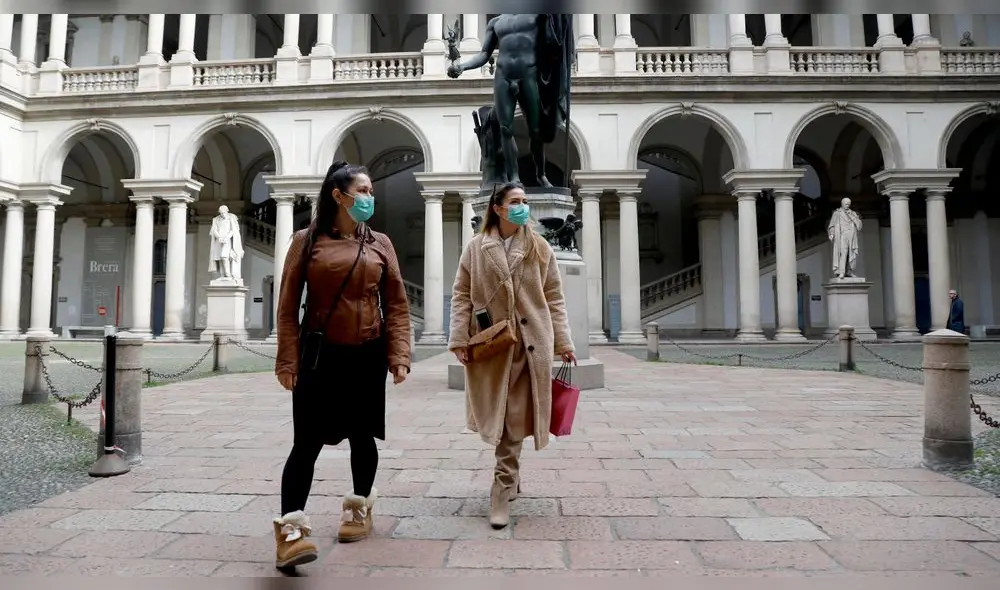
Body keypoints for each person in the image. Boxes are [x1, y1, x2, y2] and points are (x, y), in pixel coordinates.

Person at [270, 160, 412, 570]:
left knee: (363, 436)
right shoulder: (306, 240)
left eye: (370, 191)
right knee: (306, 443)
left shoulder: (380, 243)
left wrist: (399, 354)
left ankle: (358, 508)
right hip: (320, 355)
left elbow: (398, 305)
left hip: (367, 353)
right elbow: (286, 306)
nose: (370, 198)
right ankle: (291, 532)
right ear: (339, 195)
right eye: (363, 191)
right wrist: (287, 358)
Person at [448, 182, 576, 530]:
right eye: (514, 202)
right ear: (498, 208)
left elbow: (554, 297)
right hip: (491, 344)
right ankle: (512, 475)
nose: (522, 207)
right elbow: (461, 294)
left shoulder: (539, 247)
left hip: (529, 344)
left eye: (524, 201)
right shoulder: (476, 248)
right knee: (500, 416)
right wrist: (460, 337)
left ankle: (500, 489)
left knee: (514, 418)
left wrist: (563, 342)